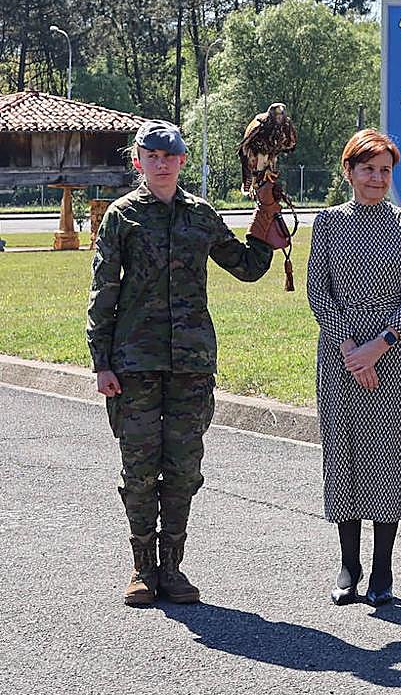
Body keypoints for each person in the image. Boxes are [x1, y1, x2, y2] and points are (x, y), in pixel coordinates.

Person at [87, 119, 284, 606]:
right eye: (150, 156)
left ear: (181, 161)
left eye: (168, 155)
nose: (160, 162)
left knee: (182, 467)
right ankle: (141, 568)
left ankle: (172, 568)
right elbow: (104, 290)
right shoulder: (122, 217)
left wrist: (265, 222)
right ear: (138, 162)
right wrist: (101, 361)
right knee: (138, 467)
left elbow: (246, 267)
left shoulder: (201, 215)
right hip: (134, 362)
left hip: (192, 362)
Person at [307, 129, 401, 607]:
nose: (377, 178)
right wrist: (349, 348)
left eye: (385, 170)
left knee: (388, 459)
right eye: (367, 169)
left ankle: (383, 568)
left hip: (393, 355)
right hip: (340, 353)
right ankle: (348, 563)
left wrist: (378, 346)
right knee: (345, 457)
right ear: (349, 172)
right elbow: (319, 292)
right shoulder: (328, 224)